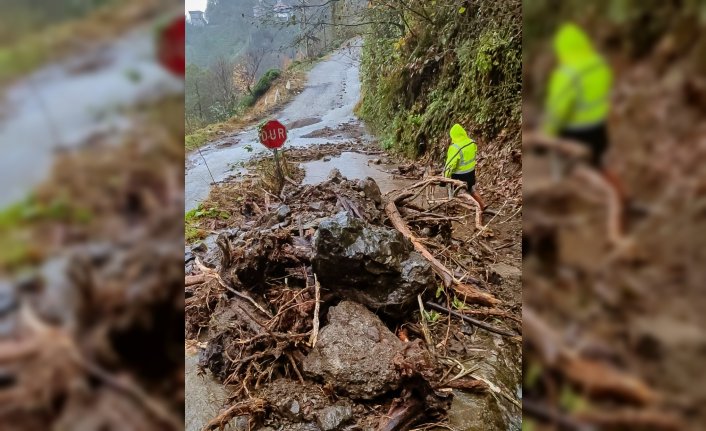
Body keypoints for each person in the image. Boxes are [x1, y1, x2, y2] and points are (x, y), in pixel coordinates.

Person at [542, 22, 630, 237]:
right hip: (597, 128)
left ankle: (572, 213)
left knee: (565, 172)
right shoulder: (598, 65)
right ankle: (621, 198)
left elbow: (557, 111)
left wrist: (547, 134)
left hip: (572, 134)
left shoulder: (567, 74)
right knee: (599, 164)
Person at [444, 123, 486, 211]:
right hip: (471, 173)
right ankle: (482, 205)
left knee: (456, 192)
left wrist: (444, 178)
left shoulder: (455, 148)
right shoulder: (471, 142)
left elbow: (449, 166)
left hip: (458, 176)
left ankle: (455, 207)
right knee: (471, 189)